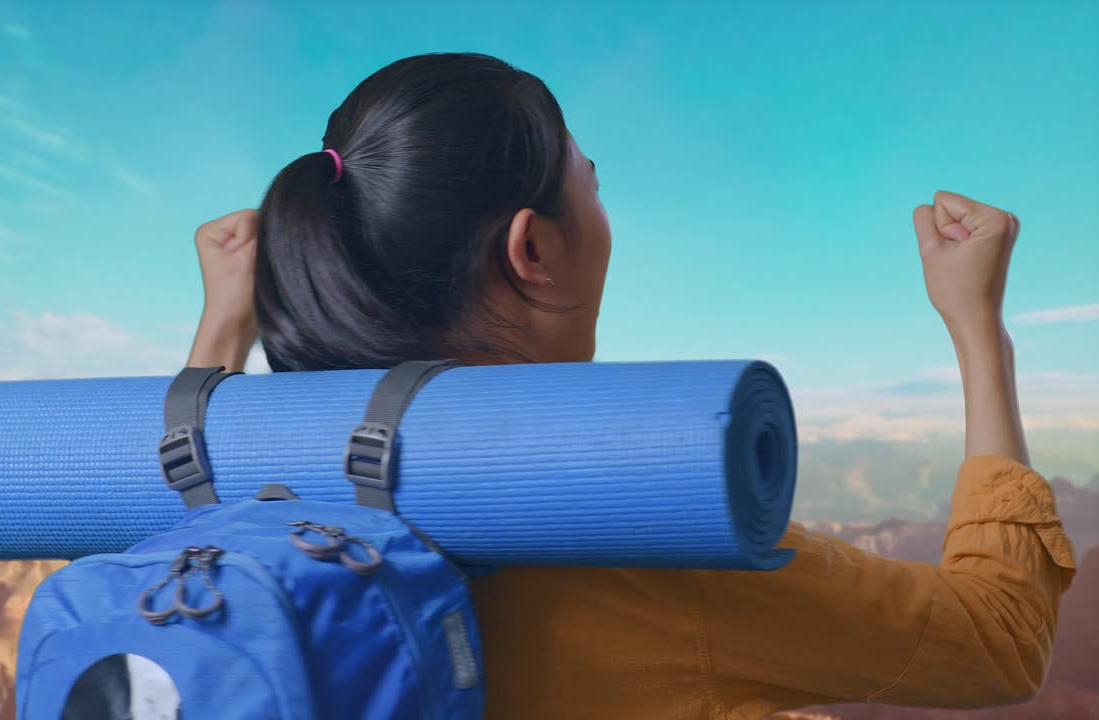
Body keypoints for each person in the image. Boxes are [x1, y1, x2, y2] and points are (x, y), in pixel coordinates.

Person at [185, 53, 1076, 719]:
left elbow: (180, 471)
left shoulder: (241, 519)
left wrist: (225, 327)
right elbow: (995, 639)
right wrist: (979, 329)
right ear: (531, 249)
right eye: (593, 186)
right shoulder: (641, 547)